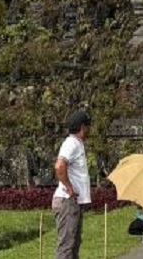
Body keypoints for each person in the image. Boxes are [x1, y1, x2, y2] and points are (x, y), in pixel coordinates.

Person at [52, 109, 92, 259]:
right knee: (66, 247)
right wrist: (69, 188)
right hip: (67, 201)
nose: (90, 130)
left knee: (74, 244)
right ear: (83, 127)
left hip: (72, 202)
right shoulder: (71, 143)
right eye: (88, 126)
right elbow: (59, 166)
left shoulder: (77, 144)